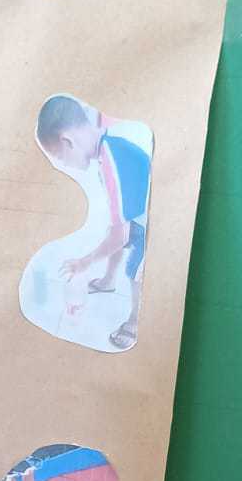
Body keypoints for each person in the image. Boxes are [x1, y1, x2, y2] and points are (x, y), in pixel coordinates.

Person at [36, 93, 152, 350]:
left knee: (135, 265)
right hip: (138, 218)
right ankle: (108, 281)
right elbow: (118, 223)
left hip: (154, 226)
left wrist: (84, 262)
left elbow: (121, 236)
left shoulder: (112, 162)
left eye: (60, 158)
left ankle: (134, 322)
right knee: (117, 228)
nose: (64, 165)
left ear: (67, 141)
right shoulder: (108, 148)